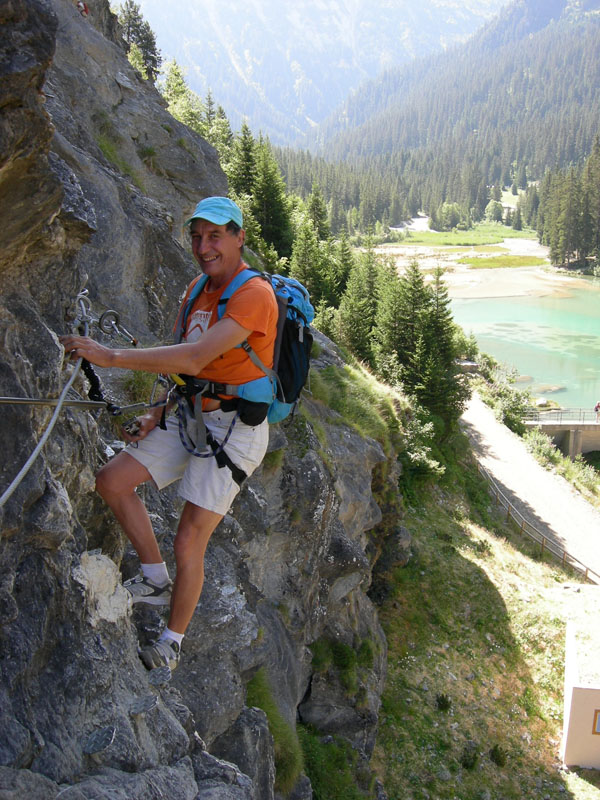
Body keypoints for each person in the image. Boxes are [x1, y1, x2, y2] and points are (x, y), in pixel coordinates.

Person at [60, 197, 278, 671]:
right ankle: (155, 579)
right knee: (112, 480)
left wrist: (111, 357)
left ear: (239, 238)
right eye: (197, 236)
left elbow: (195, 357)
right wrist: (158, 413)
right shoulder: (197, 290)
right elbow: (186, 372)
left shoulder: (254, 295)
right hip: (189, 412)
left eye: (215, 236)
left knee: (188, 541)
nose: (203, 246)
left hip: (235, 428)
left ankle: (171, 643)